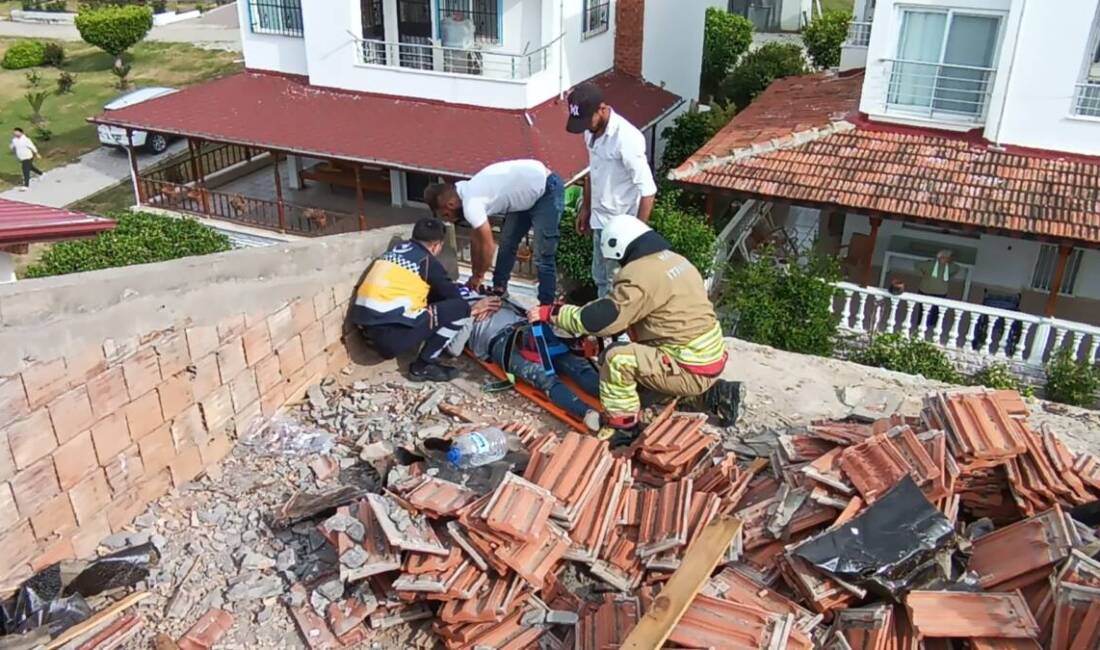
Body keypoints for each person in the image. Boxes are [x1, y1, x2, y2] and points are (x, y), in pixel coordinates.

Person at [529, 215, 743, 443]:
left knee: (616, 360)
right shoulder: (674, 260)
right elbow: (642, 315)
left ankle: (622, 428)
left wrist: (552, 313)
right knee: (637, 389)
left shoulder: (639, 276)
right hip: (706, 357)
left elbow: (599, 319)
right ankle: (713, 395)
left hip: (687, 367)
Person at [351, 218, 497, 382]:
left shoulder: (396, 251)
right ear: (436, 245)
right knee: (459, 308)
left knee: (433, 297)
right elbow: (454, 300)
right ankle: (423, 367)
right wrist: (476, 308)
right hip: (388, 340)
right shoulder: (426, 262)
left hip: (364, 328)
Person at [446, 289, 601, 428]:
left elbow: (520, 308)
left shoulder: (485, 295)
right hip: (504, 342)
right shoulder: (454, 314)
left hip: (528, 329)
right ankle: (588, 412)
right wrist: (470, 313)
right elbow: (454, 349)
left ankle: (607, 395)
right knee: (548, 377)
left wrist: (500, 299)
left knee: (572, 365)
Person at [423, 160, 565, 306]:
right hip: (526, 197)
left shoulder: (472, 203)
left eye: (446, 215)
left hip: (547, 190)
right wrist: (474, 274)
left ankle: (546, 306)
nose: (451, 220)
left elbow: (488, 246)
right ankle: (499, 288)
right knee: (507, 243)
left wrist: (479, 276)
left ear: (451, 204)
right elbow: (476, 240)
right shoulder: (465, 189)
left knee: (542, 255)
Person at [566, 82, 657, 297]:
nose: (586, 126)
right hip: (599, 220)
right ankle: (603, 328)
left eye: (588, 120)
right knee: (600, 278)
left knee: (616, 285)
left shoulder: (627, 139)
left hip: (621, 225)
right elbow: (592, 171)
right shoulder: (590, 132)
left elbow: (648, 190)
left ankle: (613, 330)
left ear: (603, 109)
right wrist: (585, 208)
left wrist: (636, 236)